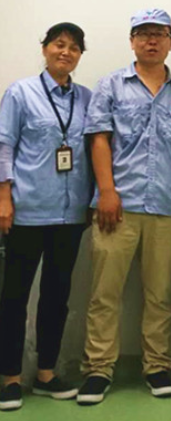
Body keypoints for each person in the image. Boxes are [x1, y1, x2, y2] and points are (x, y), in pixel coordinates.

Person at [77, 9, 171, 405]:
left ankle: (157, 366)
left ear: (170, 41)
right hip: (118, 205)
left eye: (159, 34)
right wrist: (107, 191)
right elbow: (98, 139)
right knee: (105, 293)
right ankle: (98, 369)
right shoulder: (111, 85)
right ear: (132, 41)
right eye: (143, 34)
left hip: (166, 206)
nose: (151, 40)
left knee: (160, 294)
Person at [0, 23, 92, 412]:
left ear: (80, 56)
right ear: (45, 49)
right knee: (14, 296)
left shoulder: (86, 98)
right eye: (59, 44)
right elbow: (4, 145)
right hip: (27, 211)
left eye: (74, 47)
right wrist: (3, 197)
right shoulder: (20, 93)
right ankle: (9, 378)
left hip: (70, 215)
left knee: (57, 297)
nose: (65, 52)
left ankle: (46, 374)